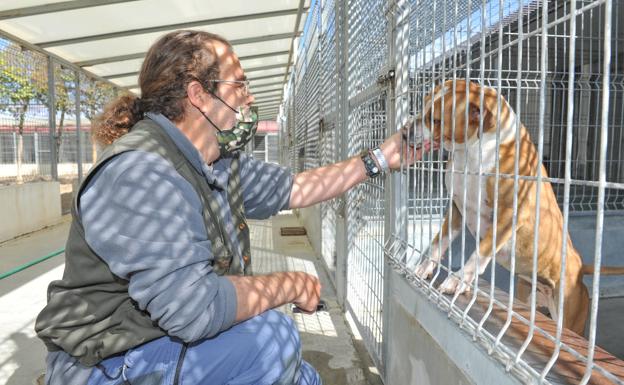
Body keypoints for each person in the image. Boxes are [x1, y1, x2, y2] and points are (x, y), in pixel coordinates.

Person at [35, 30, 419, 385]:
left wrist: (382, 158)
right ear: (199, 95)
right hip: (103, 364)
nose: (248, 97)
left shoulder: (210, 163)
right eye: (239, 85)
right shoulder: (140, 171)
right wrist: (289, 284)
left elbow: (299, 188)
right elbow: (193, 310)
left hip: (154, 343)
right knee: (273, 338)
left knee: (303, 376)